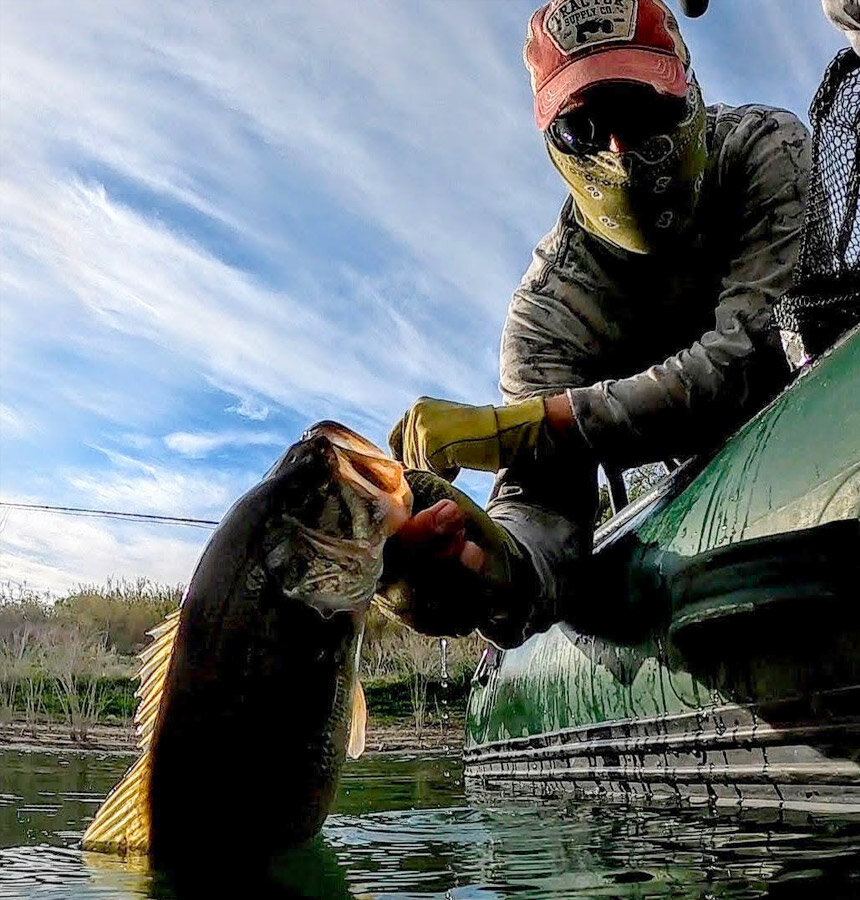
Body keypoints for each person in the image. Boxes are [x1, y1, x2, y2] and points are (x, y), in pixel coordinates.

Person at [384, 0, 811, 648]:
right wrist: (480, 562)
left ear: (686, 90)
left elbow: (747, 351)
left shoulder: (762, 150)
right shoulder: (547, 316)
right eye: (582, 127)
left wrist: (525, 426)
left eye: (638, 107)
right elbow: (541, 516)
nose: (617, 146)